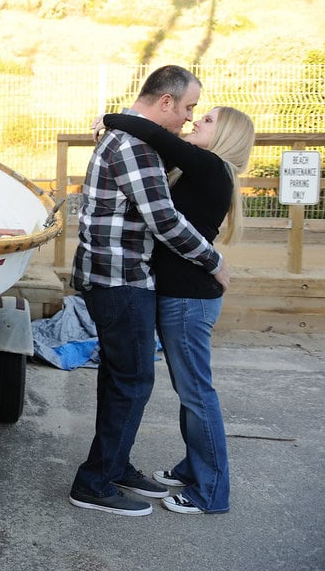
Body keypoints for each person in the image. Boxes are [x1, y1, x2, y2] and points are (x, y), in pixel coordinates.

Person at [68, 65, 230, 517]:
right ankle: (95, 482)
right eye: (188, 108)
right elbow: (164, 221)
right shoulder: (135, 144)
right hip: (121, 280)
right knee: (133, 381)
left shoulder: (132, 139)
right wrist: (214, 261)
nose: (187, 119)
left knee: (122, 378)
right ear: (165, 102)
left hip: (118, 276)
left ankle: (113, 466)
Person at [100, 105, 255, 514]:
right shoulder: (202, 170)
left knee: (196, 394)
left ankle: (210, 491)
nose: (193, 121)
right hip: (183, 297)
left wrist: (112, 118)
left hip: (189, 301)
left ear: (224, 136)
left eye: (205, 120)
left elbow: (154, 134)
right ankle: (192, 469)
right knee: (191, 393)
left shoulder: (209, 165)